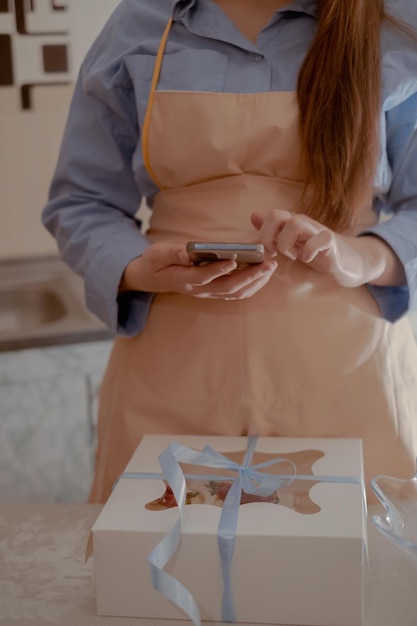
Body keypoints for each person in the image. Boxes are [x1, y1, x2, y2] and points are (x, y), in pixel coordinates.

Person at [42, 0, 417, 504]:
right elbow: (81, 202)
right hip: (172, 366)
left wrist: (359, 256)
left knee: (345, 569)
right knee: (154, 561)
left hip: (348, 367)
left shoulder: (393, 23)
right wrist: (138, 267)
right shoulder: (139, 24)